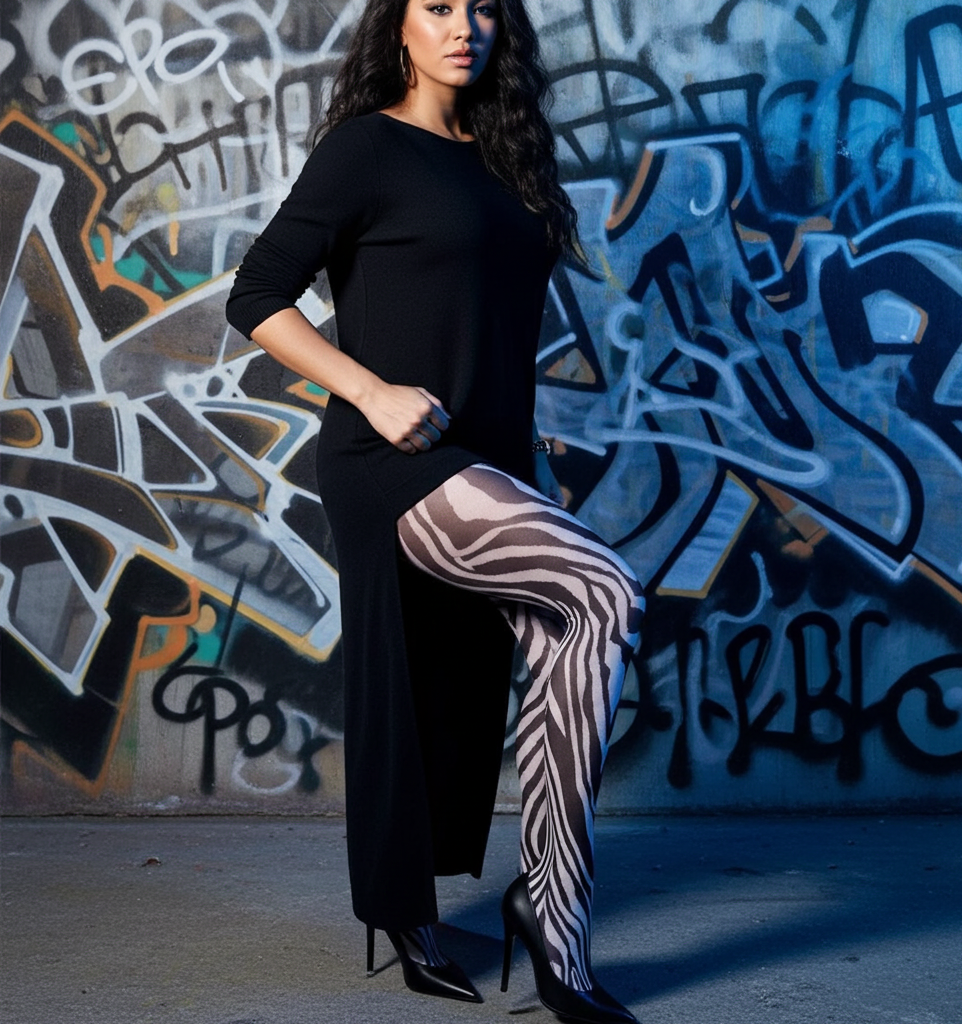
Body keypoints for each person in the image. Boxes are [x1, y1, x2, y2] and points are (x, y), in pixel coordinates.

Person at [225, 1, 644, 1021]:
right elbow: (257, 293)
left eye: (483, 7)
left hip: (489, 458)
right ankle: (549, 912)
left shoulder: (509, 161)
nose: (465, 26)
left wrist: (526, 456)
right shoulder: (366, 149)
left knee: (553, 641)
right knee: (603, 590)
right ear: (399, 29)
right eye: (439, 6)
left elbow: (489, 322)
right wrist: (370, 392)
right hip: (391, 459)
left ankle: (543, 902)